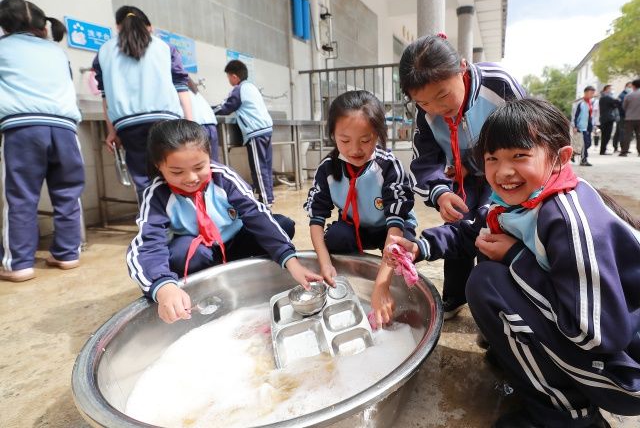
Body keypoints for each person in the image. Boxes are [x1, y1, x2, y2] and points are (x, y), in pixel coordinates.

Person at [387, 98, 640, 427]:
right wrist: (420, 247)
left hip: (625, 372)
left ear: (560, 157)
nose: (504, 171)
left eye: (519, 156)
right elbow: (470, 232)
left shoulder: (567, 219)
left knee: (487, 281)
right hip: (602, 348)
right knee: (488, 258)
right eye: (493, 159)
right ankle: (529, 363)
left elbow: (597, 334)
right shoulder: (522, 202)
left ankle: (566, 414)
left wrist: (516, 258)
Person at [127, 119, 322, 324]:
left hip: (234, 242)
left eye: (199, 166)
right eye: (177, 172)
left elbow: (256, 214)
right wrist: (163, 287)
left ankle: (242, 266)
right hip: (200, 252)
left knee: (281, 224)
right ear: (159, 166)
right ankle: (205, 279)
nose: (191, 178)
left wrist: (290, 260)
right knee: (182, 251)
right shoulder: (157, 194)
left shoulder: (222, 178)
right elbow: (147, 245)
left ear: (208, 156)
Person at [398, 33, 526, 320]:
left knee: (489, 234)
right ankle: (455, 297)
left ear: (463, 69)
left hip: (506, 176)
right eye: (423, 102)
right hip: (465, 175)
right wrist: (441, 192)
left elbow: (530, 136)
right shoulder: (426, 112)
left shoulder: (498, 84)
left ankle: (494, 308)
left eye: (443, 95)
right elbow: (425, 160)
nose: (436, 108)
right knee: (459, 223)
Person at [303, 91, 417, 324]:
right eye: (344, 140)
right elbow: (316, 220)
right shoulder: (327, 170)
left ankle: (386, 280)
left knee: (403, 251)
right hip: (355, 227)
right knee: (334, 237)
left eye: (365, 140)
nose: (355, 149)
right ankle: (360, 275)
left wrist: (381, 286)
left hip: (391, 229)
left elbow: (396, 226)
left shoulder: (388, 166)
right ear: (333, 135)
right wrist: (324, 263)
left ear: (378, 135)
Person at [0, 0, 85, 282]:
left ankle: (19, 263)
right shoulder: (57, 52)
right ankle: (67, 253)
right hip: (64, 129)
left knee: (22, 196)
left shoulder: (3, 47)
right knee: (68, 193)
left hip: (23, 128)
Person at [93, 5, 193, 202]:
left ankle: (153, 228)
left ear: (117, 26)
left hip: (128, 124)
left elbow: (106, 97)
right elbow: (181, 88)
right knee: (176, 174)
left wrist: (111, 130)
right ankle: (183, 226)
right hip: (167, 121)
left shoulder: (104, 51)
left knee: (144, 182)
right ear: (148, 26)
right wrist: (190, 122)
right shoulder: (165, 47)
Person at [213, 60, 274, 206]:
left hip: (255, 132)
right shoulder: (251, 87)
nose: (229, 80)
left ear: (234, 76)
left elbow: (227, 107)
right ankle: (269, 197)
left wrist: (208, 110)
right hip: (266, 130)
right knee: (266, 166)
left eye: (228, 77)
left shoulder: (239, 89)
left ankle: (265, 201)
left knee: (258, 169)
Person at [187, 77, 219, 162]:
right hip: (211, 126)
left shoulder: (179, 90)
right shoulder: (194, 91)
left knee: (198, 163)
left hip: (197, 127)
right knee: (213, 163)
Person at [573, 85, 596, 166]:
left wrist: (593, 126)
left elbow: (590, 115)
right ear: (585, 92)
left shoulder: (590, 103)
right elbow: (575, 115)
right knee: (585, 143)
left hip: (588, 126)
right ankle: (583, 160)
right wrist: (575, 126)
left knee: (588, 143)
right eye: (591, 93)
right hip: (581, 127)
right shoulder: (580, 103)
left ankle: (574, 152)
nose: (592, 94)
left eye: (593, 93)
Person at [597, 84, 620, 155]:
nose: (611, 90)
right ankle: (603, 151)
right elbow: (617, 102)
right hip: (607, 119)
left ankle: (603, 150)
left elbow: (614, 104)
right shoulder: (606, 97)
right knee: (606, 136)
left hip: (604, 119)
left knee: (605, 136)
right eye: (610, 89)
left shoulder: (603, 98)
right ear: (606, 89)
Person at [620, 79, 640, 157]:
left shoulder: (629, 95)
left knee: (627, 135)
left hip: (629, 118)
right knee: (639, 135)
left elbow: (624, 107)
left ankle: (624, 151)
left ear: (634, 86)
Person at [613, 82, 633, 152]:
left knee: (619, 132)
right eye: (629, 87)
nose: (631, 88)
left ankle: (618, 147)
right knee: (622, 132)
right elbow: (621, 106)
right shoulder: (622, 95)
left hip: (624, 116)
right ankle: (622, 148)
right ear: (626, 87)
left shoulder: (627, 95)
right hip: (623, 116)